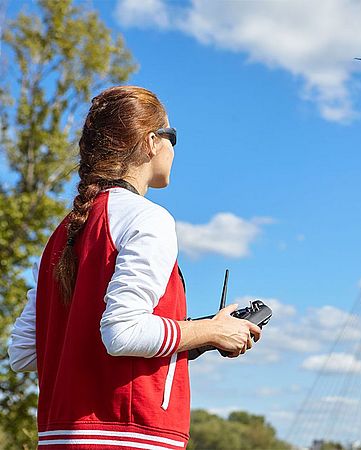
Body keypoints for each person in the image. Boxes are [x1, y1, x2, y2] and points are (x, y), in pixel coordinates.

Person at [8, 85, 262, 449]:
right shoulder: (148, 219)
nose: (174, 149)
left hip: (59, 437)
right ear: (151, 141)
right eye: (173, 137)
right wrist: (211, 331)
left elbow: (23, 353)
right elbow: (123, 333)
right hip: (129, 436)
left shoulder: (63, 233)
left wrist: (201, 336)